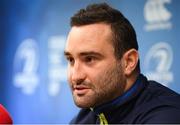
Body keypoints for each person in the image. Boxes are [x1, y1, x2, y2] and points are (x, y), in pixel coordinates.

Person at [64, 2, 180, 124]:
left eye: (89, 59)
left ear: (129, 62)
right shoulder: (85, 118)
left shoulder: (166, 116)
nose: (75, 76)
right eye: (71, 60)